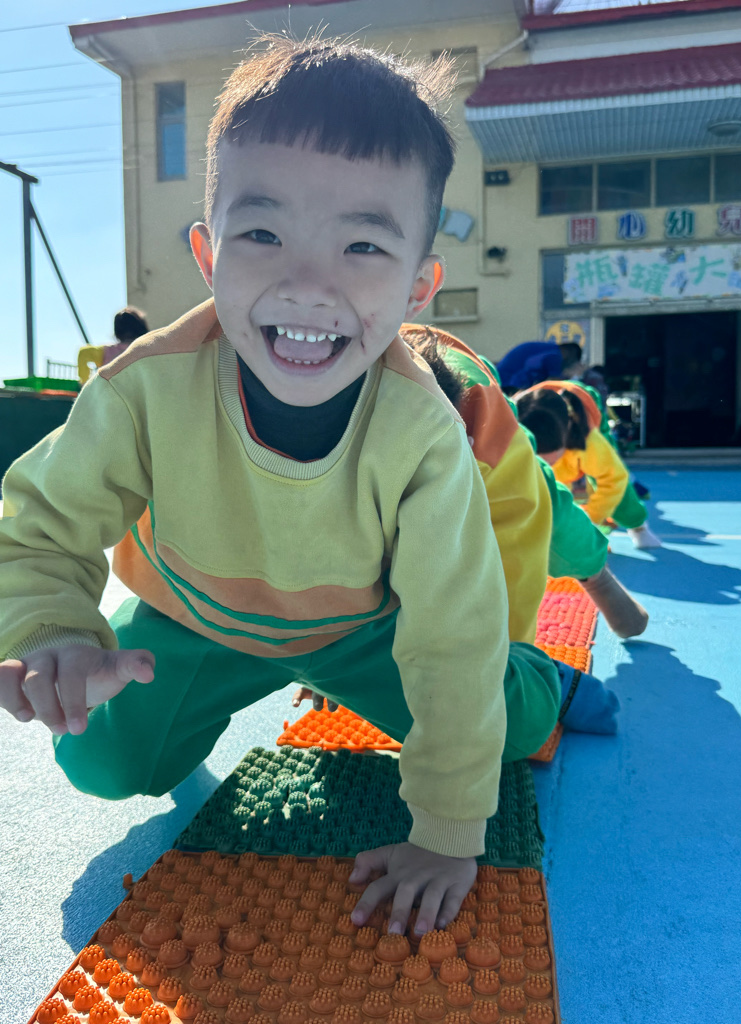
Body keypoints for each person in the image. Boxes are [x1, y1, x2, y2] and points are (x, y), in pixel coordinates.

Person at [0, 35, 561, 936]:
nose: (308, 284)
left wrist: (448, 833)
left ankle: (539, 677)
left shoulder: (423, 434)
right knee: (101, 766)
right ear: (208, 253)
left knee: (507, 732)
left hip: (364, 634)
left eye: (363, 245)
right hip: (195, 625)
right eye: (263, 234)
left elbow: (449, 637)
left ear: (419, 287)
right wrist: (55, 630)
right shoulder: (145, 390)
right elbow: (38, 523)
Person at [403, 325, 648, 642]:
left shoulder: (509, 447)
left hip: (469, 400)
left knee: (538, 503)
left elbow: (520, 567)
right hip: (448, 384)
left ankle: (601, 575)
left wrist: (510, 654)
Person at [516, 387, 662, 549]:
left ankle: (639, 528)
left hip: (584, 413)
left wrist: (592, 517)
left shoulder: (590, 440)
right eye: (539, 457)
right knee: (548, 488)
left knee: (616, 487)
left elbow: (614, 480)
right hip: (541, 412)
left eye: (553, 455)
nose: (548, 463)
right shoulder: (513, 434)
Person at [77, 307, 149, 385]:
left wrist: (84, 382)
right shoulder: (147, 351)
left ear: (117, 331)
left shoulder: (106, 351)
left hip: (110, 390)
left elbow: (84, 352)